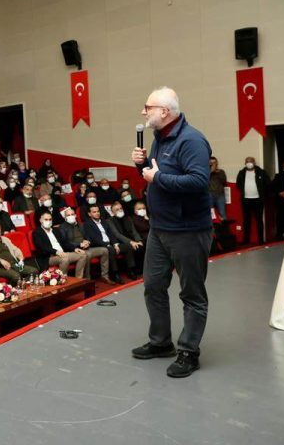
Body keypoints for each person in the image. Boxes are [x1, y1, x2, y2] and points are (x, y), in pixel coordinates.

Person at [131, 86, 213, 378]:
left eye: (148, 107)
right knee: (153, 286)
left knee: (192, 294)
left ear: (164, 112)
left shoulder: (192, 140)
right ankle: (160, 342)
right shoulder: (159, 138)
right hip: (160, 229)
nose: (143, 112)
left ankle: (189, 352)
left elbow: (199, 182)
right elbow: (156, 175)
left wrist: (158, 177)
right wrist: (142, 166)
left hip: (188, 230)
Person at [31, 211, 87, 278]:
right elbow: (41, 247)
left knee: (83, 255)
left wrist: (74, 248)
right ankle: (62, 278)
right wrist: (56, 252)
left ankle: (78, 278)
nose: (48, 221)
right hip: (49, 257)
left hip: (63, 253)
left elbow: (64, 242)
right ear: (40, 220)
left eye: (50, 219)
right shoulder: (37, 232)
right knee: (64, 259)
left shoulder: (56, 230)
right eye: (46, 219)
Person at [82, 205, 128, 285]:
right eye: (94, 212)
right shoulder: (87, 224)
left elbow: (111, 234)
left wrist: (115, 244)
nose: (97, 213)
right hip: (100, 245)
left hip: (110, 243)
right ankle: (115, 274)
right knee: (111, 250)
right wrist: (107, 245)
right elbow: (93, 239)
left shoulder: (104, 221)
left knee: (127, 246)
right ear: (89, 214)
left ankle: (131, 269)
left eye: (98, 211)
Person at [60, 206, 109, 281]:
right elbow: (65, 242)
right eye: (68, 215)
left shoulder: (81, 224)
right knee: (86, 255)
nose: (71, 216)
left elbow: (88, 236)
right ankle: (87, 279)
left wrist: (87, 241)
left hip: (87, 247)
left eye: (72, 214)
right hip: (75, 250)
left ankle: (105, 276)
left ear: (75, 215)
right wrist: (79, 244)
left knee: (105, 250)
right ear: (65, 218)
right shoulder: (63, 227)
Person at [235, 157, 270, 244]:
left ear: (254, 162)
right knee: (246, 220)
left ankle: (261, 240)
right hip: (246, 200)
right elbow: (238, 184)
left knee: (259, 220)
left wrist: (263, 194)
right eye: (247, 161)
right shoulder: (241, 172)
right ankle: (246, 240)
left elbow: (267, 183)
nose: (249, 163)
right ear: (245, 163)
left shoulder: (261, 172)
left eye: (250, 161)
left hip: (258, 200)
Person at [107, 202, 145, 279]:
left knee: (141, 246)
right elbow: (117, 234)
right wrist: (131, 242)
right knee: (130, 247)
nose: (120, 210)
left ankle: (143, 269)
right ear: (112, 212)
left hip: (132, 240)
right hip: (120, 242)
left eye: (121, 208)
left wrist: (139, 240)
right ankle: (131, 270)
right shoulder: (110, 221)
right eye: (117, 209)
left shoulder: (128, 218)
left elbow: (134, 232)